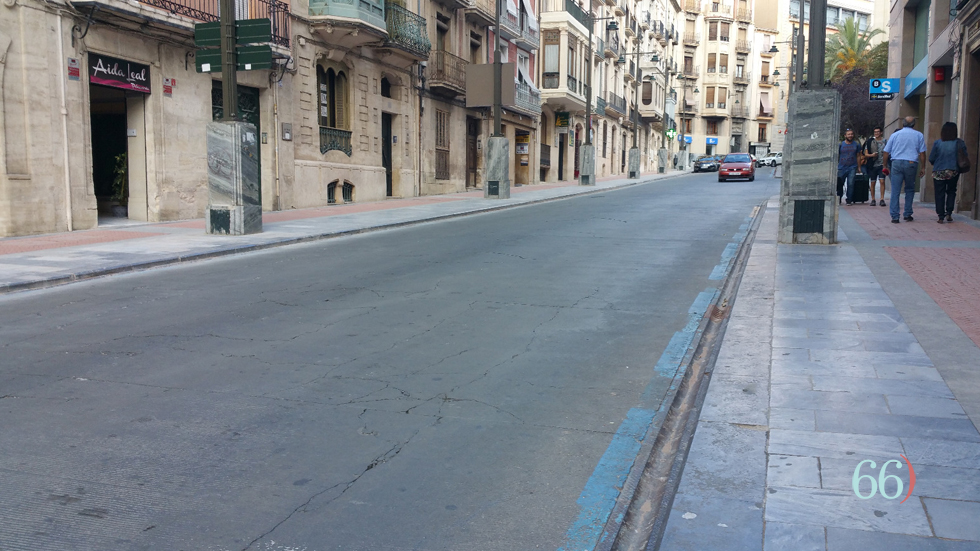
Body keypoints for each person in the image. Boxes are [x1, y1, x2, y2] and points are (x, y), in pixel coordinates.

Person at [882, 116, 927, 223]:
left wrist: (884, 165)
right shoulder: (919, 135)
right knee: (909, 189)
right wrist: (923, 167)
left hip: (896, 162)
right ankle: (907, 213)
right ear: (914, 124)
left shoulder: (895, 135)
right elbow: (922, 153)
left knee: (895, 190)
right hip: (911, 163)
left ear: (903, 123)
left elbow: (886, 151)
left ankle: (895, 216)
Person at [928, 122, 970, 223]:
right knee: (951, 191)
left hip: (939, 171)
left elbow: (931, 158)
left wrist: (936, 163)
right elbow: (965, 155)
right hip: (953, 170)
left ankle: (940, 216)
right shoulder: (959, 143)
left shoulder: (937, 143)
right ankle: (949, 212)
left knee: (939, 193)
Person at [863, 127, 887, 207]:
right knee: (873, 182)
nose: (876, 133)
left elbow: (888, 152)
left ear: (881, 132)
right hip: (872, 165)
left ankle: (882, 199)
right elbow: (865, 154)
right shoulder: (870, 142)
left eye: (878, 132)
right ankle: (873, 199)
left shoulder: (885, 141)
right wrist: (872, 155)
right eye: (875, 132)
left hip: (882, 164)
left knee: (882, 181)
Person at [838, 129, 861, 205]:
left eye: (851, 134)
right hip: (841, 167)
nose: (850, 135)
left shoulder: (856, 144)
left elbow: (858, 156)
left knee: (850, 184)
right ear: (845, 135)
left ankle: (849, 200)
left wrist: (859, 167)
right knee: (840, 184)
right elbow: (837, 155)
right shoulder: (840, 144)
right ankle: (839, 198)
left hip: (852, 167)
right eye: (848, 134)